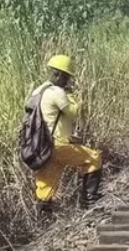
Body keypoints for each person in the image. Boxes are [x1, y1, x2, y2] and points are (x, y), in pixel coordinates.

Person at [32, 55, 102, 214]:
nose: (68, 81)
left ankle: (44, 218)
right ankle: (89, 203)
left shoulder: (39, 90)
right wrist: (71, 94)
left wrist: (70, 136)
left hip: (44, 146)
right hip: (58, 145)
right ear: (60, 75)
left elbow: (50, 119)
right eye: (67, 78)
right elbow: (73, 112)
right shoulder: (57, 92)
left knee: (46, 186)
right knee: (93, 158)